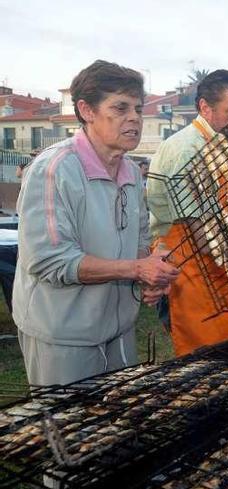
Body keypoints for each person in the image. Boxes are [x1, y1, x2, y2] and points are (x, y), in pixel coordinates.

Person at [13, 60, 179, 386]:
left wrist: (151, 272)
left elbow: (140, 240)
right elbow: (49, 260)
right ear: (86, 110)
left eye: (138, 109)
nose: (133, 117)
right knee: (68, 430)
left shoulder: (131, 171)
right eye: (120, 108)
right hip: (63, 334)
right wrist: (136, 269)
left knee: (117, 426)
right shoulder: (54, 169)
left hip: (119, 330)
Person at [146, 70, 228, 357]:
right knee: (206, 366)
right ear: (205, 107)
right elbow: (197, 228)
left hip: (227, 269)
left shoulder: (227, 146)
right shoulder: (186, 149)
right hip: (191, 269)